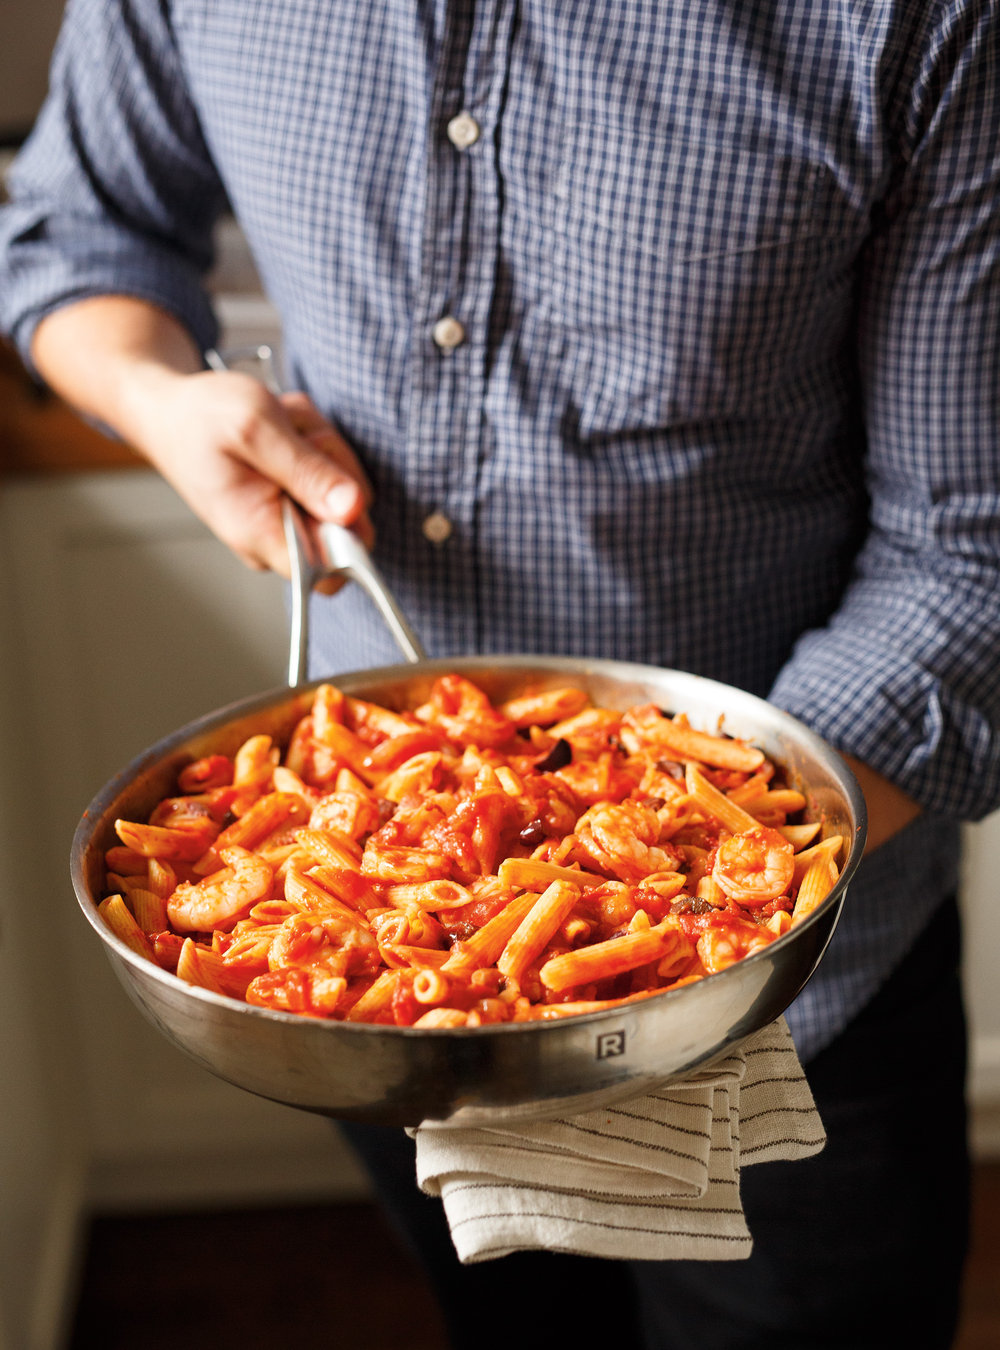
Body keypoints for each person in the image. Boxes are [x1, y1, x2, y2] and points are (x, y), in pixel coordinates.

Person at [2, 2, 997, 1345]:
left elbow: (969, 558)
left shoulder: (920, 24)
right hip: (374, 998)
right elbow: (76, 229)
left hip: (797, 998)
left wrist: (668, 872)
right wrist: (167, 402)